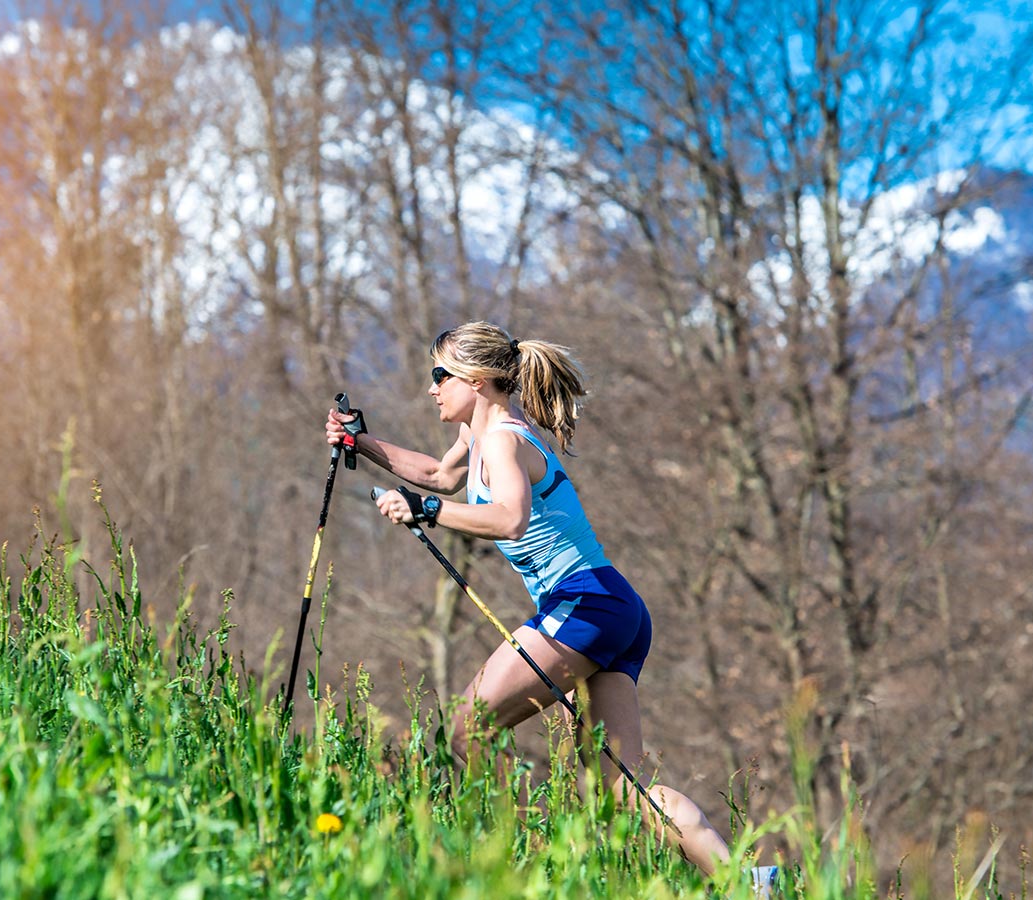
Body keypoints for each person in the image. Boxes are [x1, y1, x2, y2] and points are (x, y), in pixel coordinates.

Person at [325, 322, 775, 888]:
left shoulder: (504, 440)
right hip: (612, 607)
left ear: (480, 379)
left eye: (441, 375)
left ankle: (539, 860)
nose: (432, 388)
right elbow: (438, 475)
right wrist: (360, 442)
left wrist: (427, 513)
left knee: (470, 731)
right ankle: (750, 882)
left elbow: (508, 517)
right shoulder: (478, 437)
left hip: (583, 604)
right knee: (621, 788)